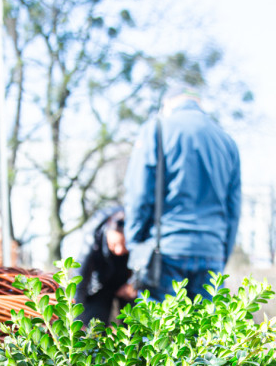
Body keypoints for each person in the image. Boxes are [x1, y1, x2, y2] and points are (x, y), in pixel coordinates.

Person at [123, 84, 242, 300]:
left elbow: (139, 193)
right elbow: (234, 208)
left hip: (165, 250)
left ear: (167, 105)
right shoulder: (227, 141)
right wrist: (222, 253)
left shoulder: (158, 128)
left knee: (158, 331)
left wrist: (135, 244)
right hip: (211, 250)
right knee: (205, 332)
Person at [74, 205, 137, 324]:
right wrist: (76, 320)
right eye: (115, 244)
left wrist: (135, 282)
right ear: (109, 229)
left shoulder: (138, 232)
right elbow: (79, 280)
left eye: (125, 246)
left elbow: (147, 263)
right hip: (99, 285)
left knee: (134, 328)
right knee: (94, 327)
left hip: (127, 282)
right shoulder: (91, 236)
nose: (119, 251)